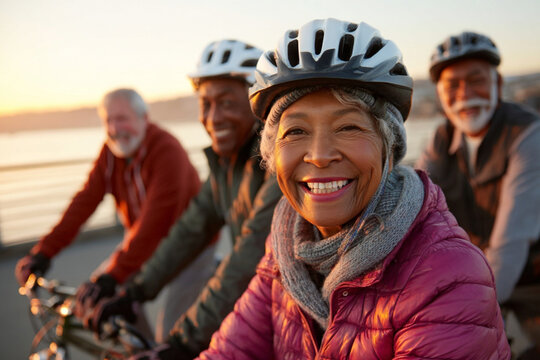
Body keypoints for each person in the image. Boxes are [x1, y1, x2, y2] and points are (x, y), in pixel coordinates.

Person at [196, 18, 510, 359]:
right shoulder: (285, 247)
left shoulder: (447, 275)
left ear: (388, 146)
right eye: (296, 131)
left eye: (348, 126)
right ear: (272, 154)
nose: (319, 155)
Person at [90, 39, 283, 358]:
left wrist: (182, 343)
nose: (212, 117)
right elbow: (188, 230)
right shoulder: (226, 166)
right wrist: (136, 291)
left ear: (258, 106)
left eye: (226, 102)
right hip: (259, 302)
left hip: (285, 313)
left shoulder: (275, 164)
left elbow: (249, 256)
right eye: (205, 104)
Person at [14, 88, 201, 331]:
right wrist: (43, 252)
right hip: (142, 242)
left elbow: (155, 222)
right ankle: (141, 352)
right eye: (108, 121)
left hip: (189, 245)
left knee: (175, 331)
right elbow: (84, 202)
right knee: (97, 301)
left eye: (122, 118)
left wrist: (112, 275)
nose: (114, 129)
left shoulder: (167, 150)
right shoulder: (111, 153)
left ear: (144, 118)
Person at [416, 31, 540, 358]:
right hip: (477, 270)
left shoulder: (528, 134)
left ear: (498, 82)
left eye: (476, 80)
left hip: (531, 276)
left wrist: (471, 311)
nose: (465, 94)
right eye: (452, 86)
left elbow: (511, 239)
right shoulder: (441, 138)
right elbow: (415, 203)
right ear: (440, 95)